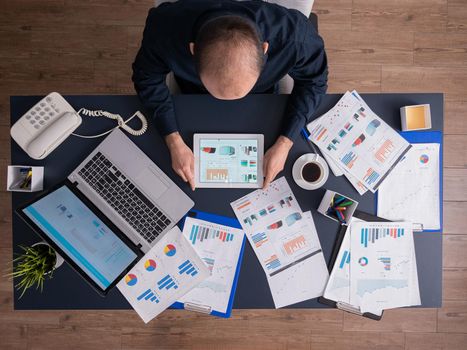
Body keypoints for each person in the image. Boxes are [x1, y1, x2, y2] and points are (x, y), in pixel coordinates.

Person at [133, 0, 328, 190]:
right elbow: (147, 77)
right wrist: (173, 141)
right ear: (193, 50)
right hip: (192, 97)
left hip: (265, 100)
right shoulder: (165, 31)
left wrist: (286, 142)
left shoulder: (295, 38)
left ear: (264, 49)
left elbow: (314, 82)